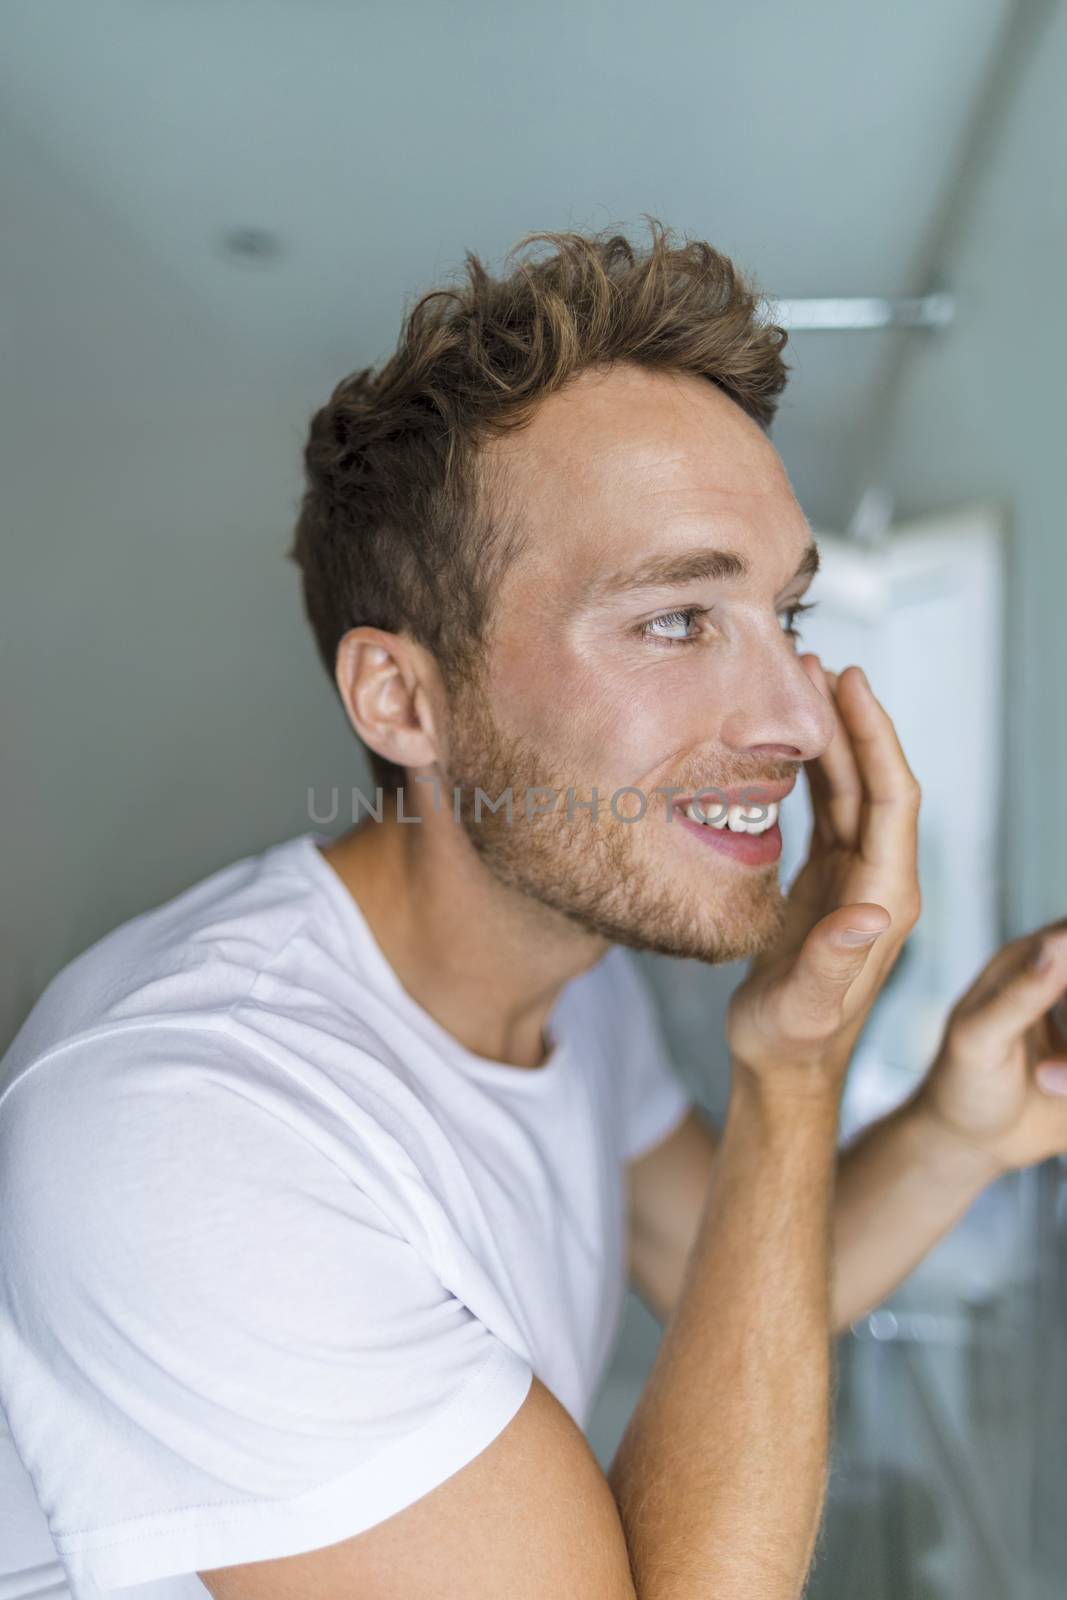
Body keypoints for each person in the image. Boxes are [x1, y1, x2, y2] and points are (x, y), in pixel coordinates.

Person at [2, 223, 1066, 1600]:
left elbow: (728, 1274)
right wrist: (791, 1070)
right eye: (678, 620)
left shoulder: (572, 980)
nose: (801, 715)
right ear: (403, 699)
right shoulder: (187, 1127)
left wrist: (960, 1127)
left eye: (786, 618)